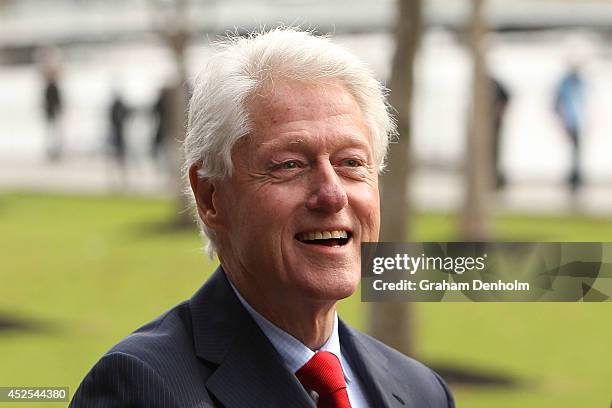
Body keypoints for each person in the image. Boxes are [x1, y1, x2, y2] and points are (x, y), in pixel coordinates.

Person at [71, 27, 455, 408]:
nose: (332, 194)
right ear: (210, 196)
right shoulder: (140, 389)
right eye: (289, 164)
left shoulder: (422, 390)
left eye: (351, 163)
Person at [554, 65, 585, 192]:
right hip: (570, 121)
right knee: (573, 148)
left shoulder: (581, 83)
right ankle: (573, 176)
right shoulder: (565, 84)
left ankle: (576, 175)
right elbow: (559, 103)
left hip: (579, 121)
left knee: (577, 149)